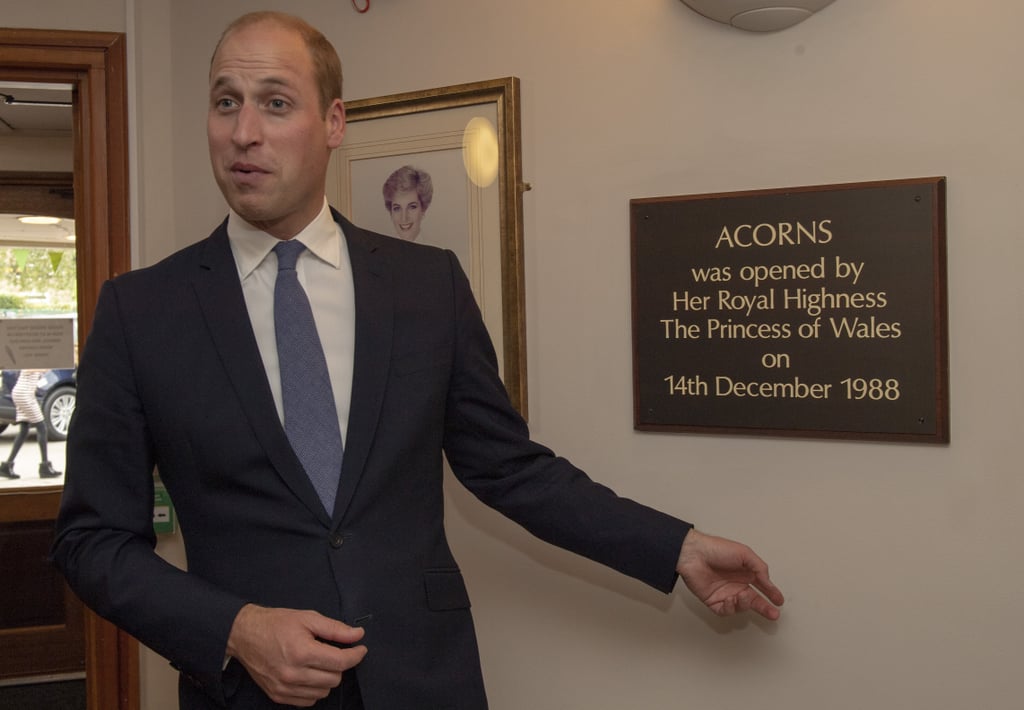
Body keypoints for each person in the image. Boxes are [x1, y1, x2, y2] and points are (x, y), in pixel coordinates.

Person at [51, 11, 784, 710]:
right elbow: (91, 542)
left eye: (276, 103)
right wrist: (235, 628)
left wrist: (675, 545)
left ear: (333, 123)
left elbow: (510, 468)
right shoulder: (141, 312)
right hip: (246, 695)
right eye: (225, 102)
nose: (244, 133)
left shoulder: (425, 285)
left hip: (425, 683)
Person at [0, 369, 61, 480]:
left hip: (23, 393)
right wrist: (44, 368)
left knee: (24, 430)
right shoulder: (32, 358)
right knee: (42, 427)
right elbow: (29, 369)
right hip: (25, 395)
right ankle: (45, 467)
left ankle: (6, 466)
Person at [382, 165, 432, 241]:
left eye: (412, 207)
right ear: (391, 213)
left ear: (423, 209)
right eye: (397, 208)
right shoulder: (381, 251)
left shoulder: (437, 252)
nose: (404, 218)